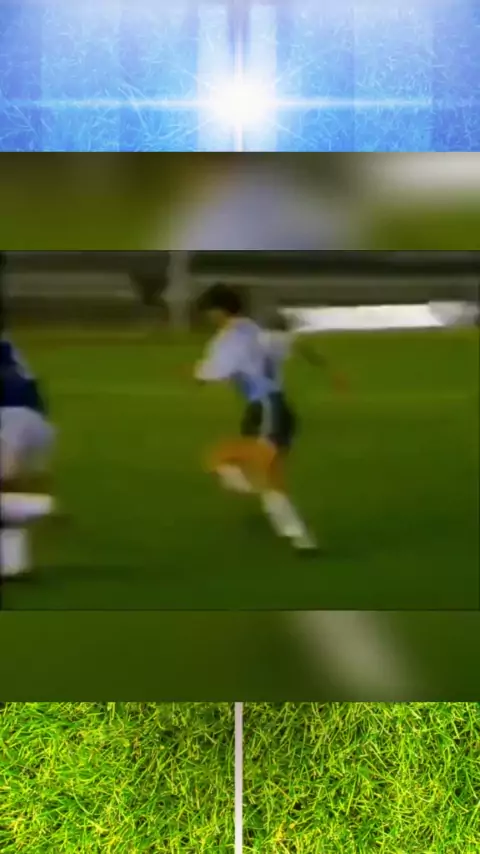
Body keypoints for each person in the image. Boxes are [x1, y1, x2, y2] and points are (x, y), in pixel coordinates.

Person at [194, 283, 318, 551]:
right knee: (266, 474)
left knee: (222, 461)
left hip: (266, 408)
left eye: (208, 311)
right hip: (270, 408)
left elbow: (216, 371)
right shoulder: (256, 331)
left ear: (218, 311)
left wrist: (199, 375)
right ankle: (299, 536)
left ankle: (287, 521)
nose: (207, 317)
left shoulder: (230, 338)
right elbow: (281, 349)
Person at [0, 324, 57, 578]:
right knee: (10, 490)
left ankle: (42, 507)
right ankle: (14, 564)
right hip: (31, 420)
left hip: (15, 418)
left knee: (7, 488)